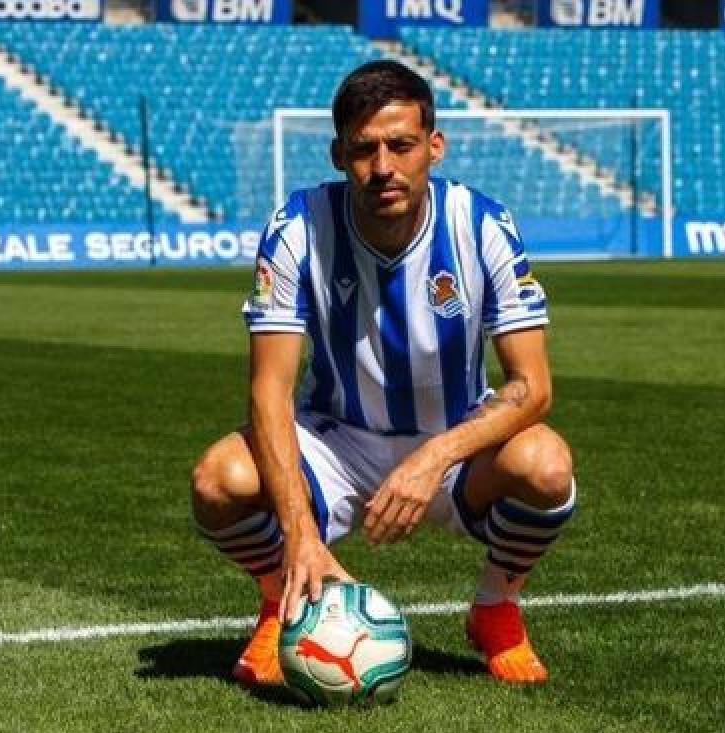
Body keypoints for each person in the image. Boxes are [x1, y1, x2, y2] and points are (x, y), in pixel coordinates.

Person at [191, 60, 576, 687]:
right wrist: (299, 538)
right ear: (340, 153)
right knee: (217, 481)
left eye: (401, 145)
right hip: (337, 440)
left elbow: (531, 386)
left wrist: (433, 458)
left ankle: (496, 608)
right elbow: (269, 390)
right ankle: (279, 603)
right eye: (364, 149)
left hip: (455, 443)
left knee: (548, 465)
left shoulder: (483, 226)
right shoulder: (298, 229)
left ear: (434, 146)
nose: (383, 167)